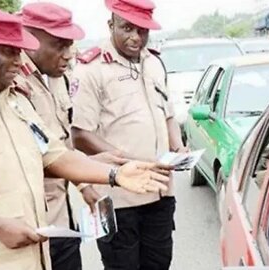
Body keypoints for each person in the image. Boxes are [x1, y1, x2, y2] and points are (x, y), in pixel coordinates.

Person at [0, 8, 170, 270]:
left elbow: (54, 154)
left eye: (19, 51)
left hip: (31, 256)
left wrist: (115, 173)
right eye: (9, 51)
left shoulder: (16, 99)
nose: (19, 61)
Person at [71, 0, 186, 269]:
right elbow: (80, 135)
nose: (136, 37)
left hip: (160, 192)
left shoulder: (155, 62)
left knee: (159, 263)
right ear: (111, 25)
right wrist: (129, 163)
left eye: (143, 30)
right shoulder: (90, 69)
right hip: (116, 196)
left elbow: (167, 115)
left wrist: (178, 148)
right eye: (127, 28)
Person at [18, 3, 125, 269]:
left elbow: (63, 142)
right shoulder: (12, 83)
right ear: (29, 38)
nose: (68, 55)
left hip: (62, 219)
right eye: (59, 45)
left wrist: (84, 187)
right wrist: (98, 169)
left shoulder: (58, 77)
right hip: (30, 226)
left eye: (70, 45)